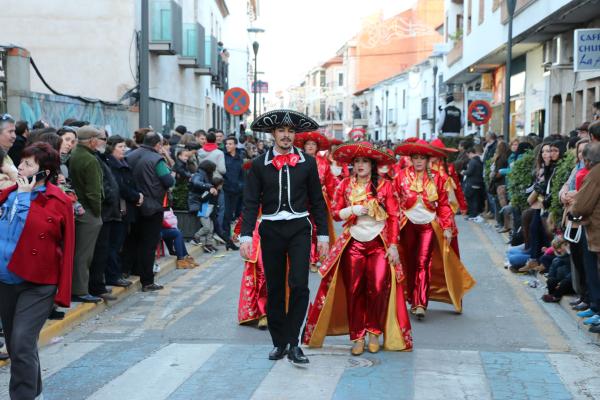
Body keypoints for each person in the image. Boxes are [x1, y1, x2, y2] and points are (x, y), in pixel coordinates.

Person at [303, 142, 412, 355]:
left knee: (379, 288)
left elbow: (394, 217)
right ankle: (358, 337)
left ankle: (374, 332)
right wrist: (352, 209)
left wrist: (393, 245)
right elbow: (334, 212)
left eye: (365, 161)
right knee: (354, 290)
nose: (360, 165)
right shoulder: (344, 185)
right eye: (357, 162)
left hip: (379, 243)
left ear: (372, 165)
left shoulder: (385, 185)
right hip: (353, 242)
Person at [240, 109, 329, 365]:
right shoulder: (258, 165)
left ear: (295, 135)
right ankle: (279, 342)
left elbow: (317, 202)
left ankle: (295, 342)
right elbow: (249, 202)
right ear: (273, 134)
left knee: (299, 284)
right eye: (282, 131)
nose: (286, 136)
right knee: (275, 287)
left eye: (290, 131)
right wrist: (246, 236)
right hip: (271, 230)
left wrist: (322, 234)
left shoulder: (307, 162)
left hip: (300, 227)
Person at [0, 143, 74, 400]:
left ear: (45, 172)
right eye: (21, 162)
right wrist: (16, 193)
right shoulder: (6, 194)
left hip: (39, 282)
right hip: (6, 279)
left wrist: (64, 289)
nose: (20, 167)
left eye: (28, 164)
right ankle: (35, 393)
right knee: (18, 344)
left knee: (21, 342)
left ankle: (24, 397)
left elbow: (68, 246)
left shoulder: (58, 201)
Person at [394, 139, 476, 319]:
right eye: (415, 157)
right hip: (406, 226)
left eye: (422, 158)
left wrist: (447, 226)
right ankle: (410, 295)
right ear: (410, 159)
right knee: (409, 262)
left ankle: (420, 302)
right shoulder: (400, 176)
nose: (418, 161)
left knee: (424, 262)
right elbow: (392, 202)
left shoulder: (438, 178)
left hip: (428, 226)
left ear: (428, 159)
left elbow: (445, 205)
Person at [125, 131, 175, 292]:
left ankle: (130, 270)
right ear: (158, 145)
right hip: (152, 206)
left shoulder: (130, 155)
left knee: (132, 240)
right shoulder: (157, 160)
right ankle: (147, 280)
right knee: (148, 244)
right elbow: (168, 180)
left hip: (132, 204)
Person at [69, 126, 105, 303]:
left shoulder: (75, 155)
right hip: (88, 212)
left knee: (79, 252)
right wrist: (98, 213)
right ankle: (80, 290)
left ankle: (78, 288)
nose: (99, 142)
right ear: (91, 141)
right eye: (98, 139)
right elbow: (94, 192)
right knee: (84, 254)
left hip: (79, 209)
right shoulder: (90, 160)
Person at [293, 131, 338, 272]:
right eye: (308, 144)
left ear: (317, 147)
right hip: (301, 200)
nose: (310, 146)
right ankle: (308, 258)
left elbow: (331, 183)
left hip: (319, 200)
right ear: (304, 146)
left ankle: (317, 258)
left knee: (318, 228)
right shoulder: (296, 160)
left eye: (313, 144)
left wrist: (336, 202)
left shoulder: (324, 163)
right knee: (305, 229)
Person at [104, 135, 140, 288]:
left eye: (124, 146)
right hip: (117, 209)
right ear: (111, 148)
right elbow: (119, 186)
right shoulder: (112, 165)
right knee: (115, 243)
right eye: (120, 147)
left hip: (125, 208)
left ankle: (117, 273)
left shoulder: (122, 162)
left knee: (119, 242)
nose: (123, 149)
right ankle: (114, 275)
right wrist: (136, 196)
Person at [189, 160, 219, 253]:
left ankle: (208, 244)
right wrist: (209, 186)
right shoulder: (199, 175)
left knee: (211, 226)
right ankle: (195, 238)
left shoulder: (204, 175)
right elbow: (196, 182)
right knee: (207, 226)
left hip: (205, 204)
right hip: (200, 204)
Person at [223, 137, 243, 250]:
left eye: (230, 144)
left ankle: (232, 238)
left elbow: (243, 174)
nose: (227, 146)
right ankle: (228, 241)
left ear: (235, 145)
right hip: (226, 190)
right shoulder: (223, 157)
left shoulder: (240, 158)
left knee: (232, 216)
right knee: (226, 215)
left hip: (237, 191)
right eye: (227, 144)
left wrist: (241, 186)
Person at [463, 146, 485, 221]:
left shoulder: (473, 161)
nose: (468, 157)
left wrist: (464, 172)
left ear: (471, 153)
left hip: (472, 183)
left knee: (471, 199)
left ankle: (472, 215)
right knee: (475, 199)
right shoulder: (479, 160)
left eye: (468, 155)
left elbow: (469, 172)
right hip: (478, 182)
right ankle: (474, 214)